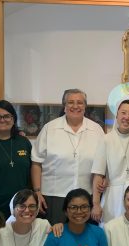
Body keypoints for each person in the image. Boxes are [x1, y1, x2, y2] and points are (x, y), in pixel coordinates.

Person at [32, 89, 105, 224]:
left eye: (80, 103)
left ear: (85, 106)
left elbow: (102, 163)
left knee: (83, 234)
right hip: (54, 196)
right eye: (70, 102)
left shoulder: (96, 130)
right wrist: (37, 191)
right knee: (55, 232)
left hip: (86, 195)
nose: (75, 106)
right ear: (64, 106)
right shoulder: (49, 129)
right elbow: (36, 162)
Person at [91, 100, 129, 224]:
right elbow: (98, 174)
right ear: (117, 115)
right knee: (112, 230)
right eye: (123, 113)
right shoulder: (106, 140)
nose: (127, 117)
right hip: (113, 195)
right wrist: (96, 204)